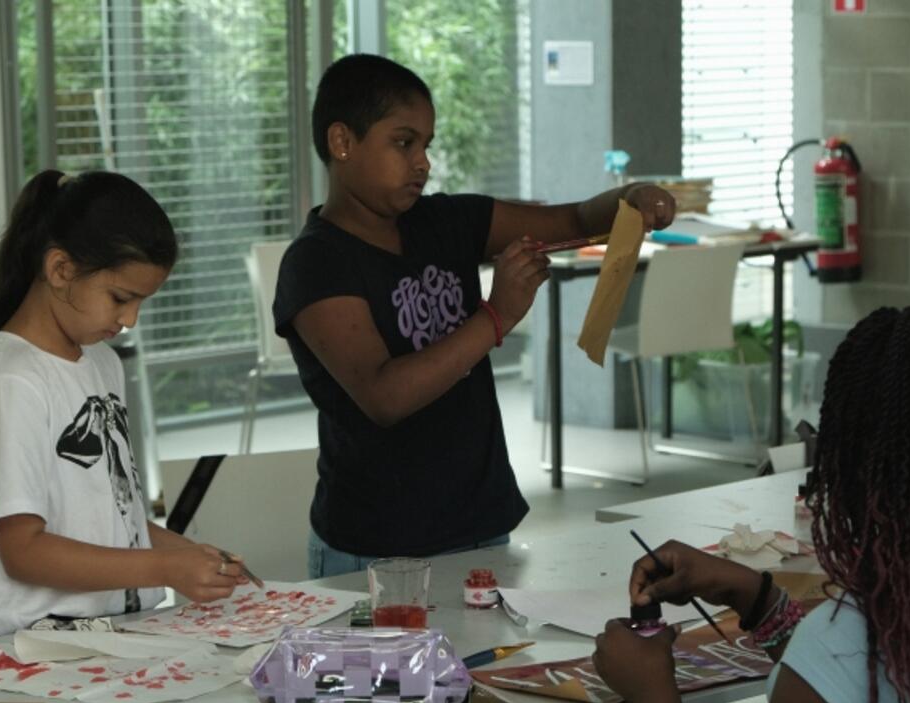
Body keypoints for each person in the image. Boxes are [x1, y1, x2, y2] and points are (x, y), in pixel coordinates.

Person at [272, 53, 676, 578]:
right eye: (403, 142)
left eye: (426, 145)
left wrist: (629, 200)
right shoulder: (316, 262)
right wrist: (496, 315)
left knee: (485, 664)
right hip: (378, 548)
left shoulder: (446, 221)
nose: (423, 162)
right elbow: (385, 395)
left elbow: (573, 219)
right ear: (342, 142)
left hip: (481, 527)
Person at [593, 305, 910, 703]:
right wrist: (760, 601)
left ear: (847, 466)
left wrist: (651, 689)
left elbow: (838, 671)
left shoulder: (847, 640)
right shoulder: (849, 644)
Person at [0, 170, 252, 636]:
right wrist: (164, 568)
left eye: (141, 302)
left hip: (114, 639)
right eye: (121, 298)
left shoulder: (102, 363)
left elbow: (116, 520)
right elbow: (22, 550)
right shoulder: (9, 383)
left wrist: (194, 556)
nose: (130, 319)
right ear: (61, 270)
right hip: (28, 653)